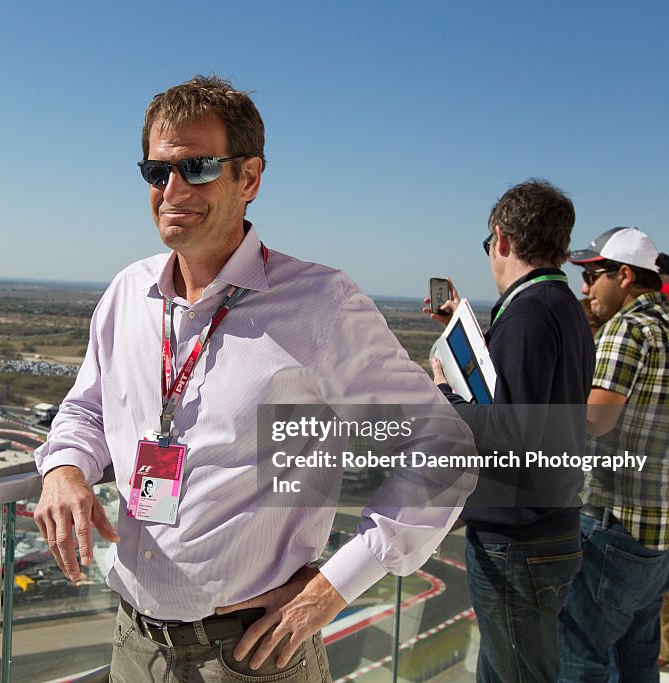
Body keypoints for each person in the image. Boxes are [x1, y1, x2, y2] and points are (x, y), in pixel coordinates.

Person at [33, 75, 477, 683]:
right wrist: (63, 471)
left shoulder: (320, 305)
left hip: (251, 656)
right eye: (156, 172)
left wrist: (333, 587)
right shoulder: (127, 294)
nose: (172, 189)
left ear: (249, 178)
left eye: (198, 167)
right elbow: (86, 410)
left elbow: (443, 446)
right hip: (135, 645)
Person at [426, 179, 595, 682]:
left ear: (501, 239)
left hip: (518, 538)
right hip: (547, 524)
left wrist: (445, 392)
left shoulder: (528, 314)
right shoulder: (562, 307)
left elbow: (508, 435)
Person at [558, 227, 669, 682]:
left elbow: (594, 420)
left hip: (611, 523)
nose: (584, 288)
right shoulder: (663, 326)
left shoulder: (627, 329)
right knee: (636, 659)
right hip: (655, 533)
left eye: (591, 276)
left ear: (623, 275)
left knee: (580, 656)